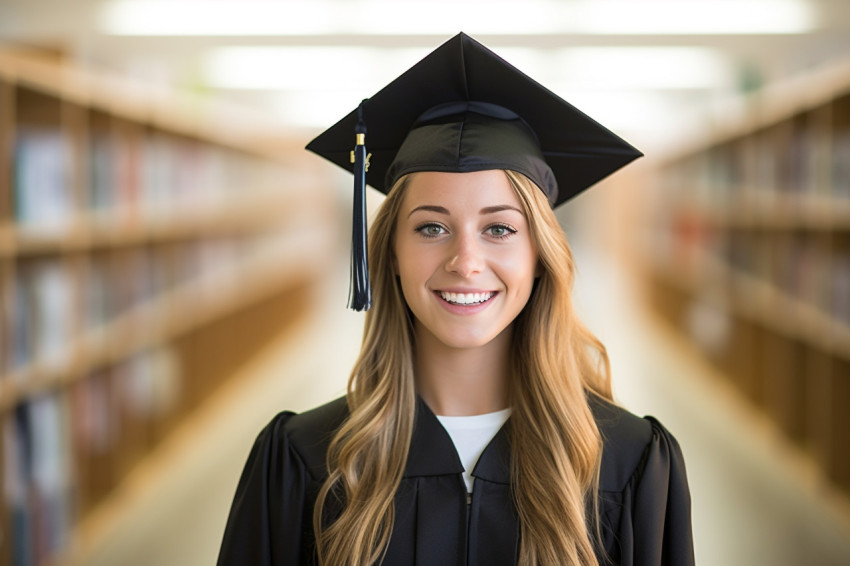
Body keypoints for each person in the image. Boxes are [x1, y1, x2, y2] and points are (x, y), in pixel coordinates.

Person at [217, 33, 694, 566]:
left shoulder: (628, 464)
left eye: (499, 229)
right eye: (430, 228)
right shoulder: (303, 461)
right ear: (390, 253)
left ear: (540, 255)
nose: (465, 262)